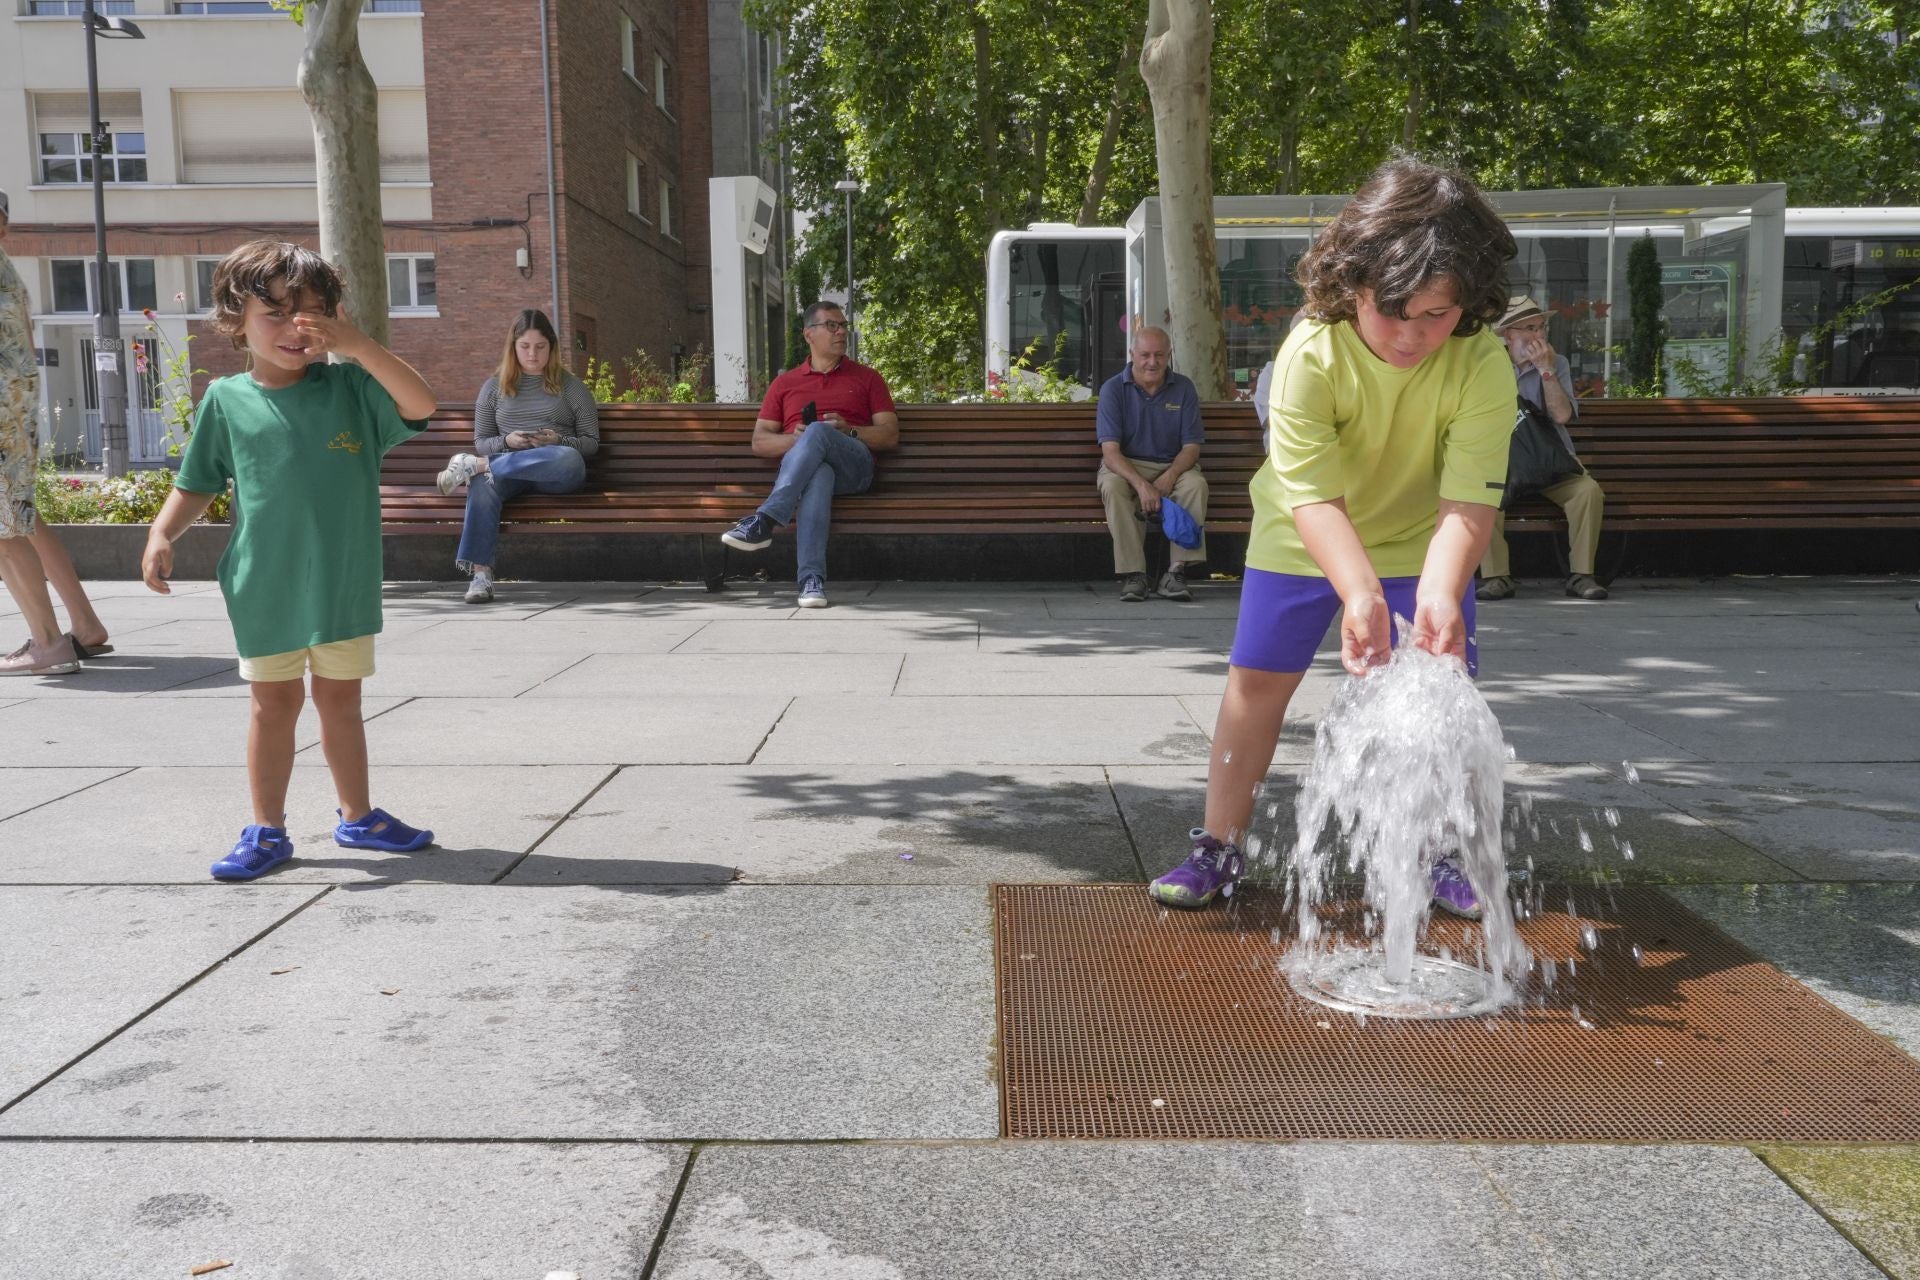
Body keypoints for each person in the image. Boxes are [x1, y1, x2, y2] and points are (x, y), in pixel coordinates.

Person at [1147, 156, 1518, 920]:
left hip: (1427, 540)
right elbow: (1310, 493)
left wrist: (1443, 590)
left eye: (1437, 315)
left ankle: (1440, 846)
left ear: (1470, 303)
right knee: (1257, 684)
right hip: (1302, 532)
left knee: (1442, 686)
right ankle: (1219, 844)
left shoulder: (1481, 361)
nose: (1414, 336)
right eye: (1395, 311)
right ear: (1352, 282)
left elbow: (1471, 497)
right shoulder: (1310, 353)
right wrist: (1355, 589)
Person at [142, 240, 437, 881]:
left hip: (341, 582)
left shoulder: (352, 387)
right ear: (236, 320)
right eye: (273, 314)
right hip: (265, 585)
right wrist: (164, 533)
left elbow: (420, 405)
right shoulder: (226, 399)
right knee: (272, 706)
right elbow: (197, 482)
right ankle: (267, 829)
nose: (294, 330)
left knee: (341, 702)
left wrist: (356, 344)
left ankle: (357, 815)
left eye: (311, 315)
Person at [718, 300, 898, 608]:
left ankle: (764, 520)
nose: (841, 331)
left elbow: (890, 435)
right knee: (818, 473)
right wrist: (794, 440)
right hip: (811, 475)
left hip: (855, 469)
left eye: (843, 326)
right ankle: (811, 582)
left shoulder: (868, 378)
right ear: (808, 334)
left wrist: (848, 431)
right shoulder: (785, 383)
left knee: (817, 432)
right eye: (832, 325)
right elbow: (759, 442)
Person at [0, 188, 109, 675]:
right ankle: (83, 625)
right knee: (20, 516)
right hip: (15, 409)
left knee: (5, 529)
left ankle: (48, 644)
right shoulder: (7, 270)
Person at [433, 309, 599, 603]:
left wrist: (558, 439)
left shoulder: (572, 387)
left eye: (540, 347)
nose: (533, 355)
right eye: (525, 347)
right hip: (509, 474)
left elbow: (590, 443)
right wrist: (508, 441)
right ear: (513, 347)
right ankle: (481, 577)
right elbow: (482, 441)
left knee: (568, 457)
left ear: (552, 347)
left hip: (557, 474)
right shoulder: (494, 388)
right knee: (482, 484)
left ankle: (475, 466)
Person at [1474, 295, 1607, 601]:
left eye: (1541, 328)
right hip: (1503, 462)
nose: (1538, 336)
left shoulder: (1556, 362)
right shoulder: (1488, 365)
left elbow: (1561, 416)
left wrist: (1544, 370)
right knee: (1480, 497)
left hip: (1551, 460)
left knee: (1587, 491)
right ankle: (1497, 578)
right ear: (1509, 336)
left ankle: (1582, 575)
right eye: (1529, 329)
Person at [1095, 326, 1209, 601]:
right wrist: (1142, 485)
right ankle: (1135, 575)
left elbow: (1192, 447)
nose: (1152, 362)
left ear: (1169, 354)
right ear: (1132, 354)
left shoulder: (1183, 387)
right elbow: (1110, 452)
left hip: (1174, 464)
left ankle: (1176, 573)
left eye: (1159, 355)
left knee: (1196, 484)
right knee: (1112, 486)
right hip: (1126, 464)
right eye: (1144, 355)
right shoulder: (1113, 389)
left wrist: (1169, 476)